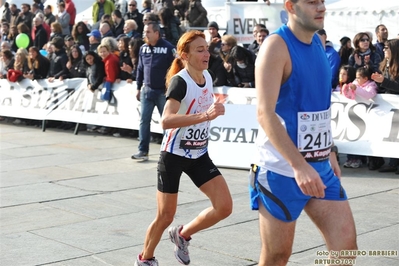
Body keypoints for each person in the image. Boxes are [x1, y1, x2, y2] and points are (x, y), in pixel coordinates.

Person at [252, 1, 357, 266]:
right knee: (277, 256)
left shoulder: (319, 45)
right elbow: (265, 114)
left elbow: (318, 106)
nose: (321, 7)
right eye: (312, 2)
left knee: (345, 249)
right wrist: (299, 166)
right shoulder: (276, 46)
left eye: (322, 1)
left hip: (320, 167)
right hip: (282, 171)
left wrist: (329, 150)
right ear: (291, 6)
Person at [134, 30, 232, 266]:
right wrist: (204, 115)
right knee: (165, 215)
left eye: (207, 48)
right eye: (200, 50)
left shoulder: (207, 76)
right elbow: (166, 120)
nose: (206, 54)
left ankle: (183, 234)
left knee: (224, 207)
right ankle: (145, 260)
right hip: (174, 155)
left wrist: (208, 114)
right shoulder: (180, 81)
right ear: (185, 55)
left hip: (199, 154)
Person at [131, 22, 175, 161]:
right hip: (147, 90)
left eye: (148, 32)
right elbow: (140, 68)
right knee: (144, 121)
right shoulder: (143, 48)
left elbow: (175, 69)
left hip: (163, 92)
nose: (145, 35)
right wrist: (138, 87)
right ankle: (143, 151)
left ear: (156, 33)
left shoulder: (168, 48)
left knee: (167, 123)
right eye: (145, 32)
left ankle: (169, 152)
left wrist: (172, 89)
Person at [371, 39, 399, 174]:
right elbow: (383, 86)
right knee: (392, 135)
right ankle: (393, 162)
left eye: (387, 48)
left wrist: (384, 82)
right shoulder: (384, 65)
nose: (384, 50)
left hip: (396, 105)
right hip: (389, 106)